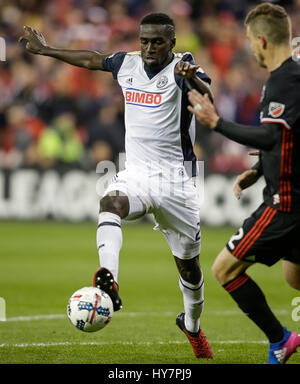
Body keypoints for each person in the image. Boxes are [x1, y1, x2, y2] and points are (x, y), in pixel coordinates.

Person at [19, 13, 214, 359]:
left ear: (172, 41)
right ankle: (108, 280)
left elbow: (206, 94)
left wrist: (193, 80)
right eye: (145, 40)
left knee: (189, 267)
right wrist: (47, 51)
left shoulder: (184, 69)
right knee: (110, 202)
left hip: (175, 181)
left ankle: (193, 326)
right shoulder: (127, 63)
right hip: (136, 172)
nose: (150, 47)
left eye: (157, 41)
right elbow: (92, 60)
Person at [187, 3, 300, 364]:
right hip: (292, 192)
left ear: (263, 40)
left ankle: (280, 340)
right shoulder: (288, 77)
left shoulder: (285, 80)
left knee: (224, 268)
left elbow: (270, 136)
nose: (250, 47)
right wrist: (260, 170)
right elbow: (287, 140)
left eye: (251, 40)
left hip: (285, 204)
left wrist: (215, 122)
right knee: (295, 277)